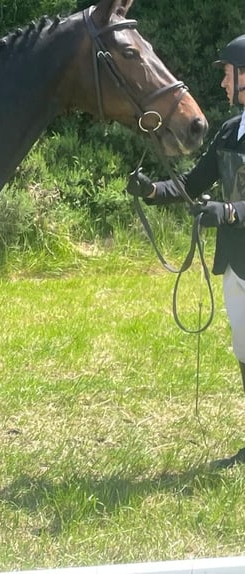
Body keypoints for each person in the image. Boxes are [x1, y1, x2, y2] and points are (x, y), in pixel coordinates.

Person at [127, 34, 245, 467]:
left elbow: (229, 204)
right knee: (244, 350)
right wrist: (153, 190)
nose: (223, 85)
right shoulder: (232, 130)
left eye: (228, 75)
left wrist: (229, 211)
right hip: (236, 260)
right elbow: (193, 183)